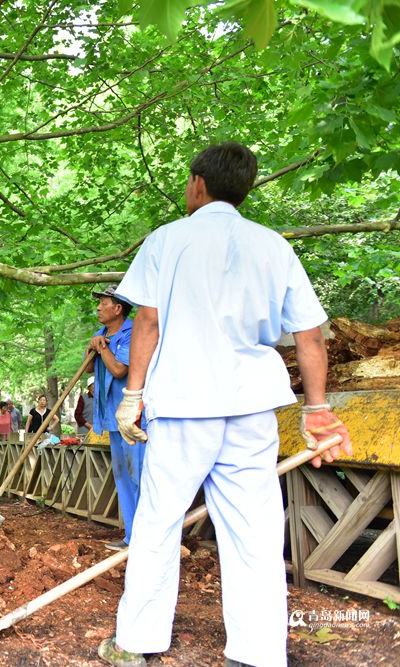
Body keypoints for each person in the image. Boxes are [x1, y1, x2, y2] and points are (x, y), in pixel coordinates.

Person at [98, 142, 352, 667]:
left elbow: (147, 321)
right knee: (253, 529)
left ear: (197, 184)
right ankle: (259, 653)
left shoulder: (168, 240)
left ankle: (136, 643)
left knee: (159, 521)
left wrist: (133, 396)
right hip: (251, 404)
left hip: (185, 400)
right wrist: (317, 409)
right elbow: (311, 335)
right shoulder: (273, 246)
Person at [88, 284, 144, 552]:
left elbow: (120, 369)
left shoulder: (134, 332)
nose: (98, 307)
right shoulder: (100, 333)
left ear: (118, 308)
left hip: (133, 417)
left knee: (140, 476)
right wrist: (92, 347)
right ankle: (132, 536)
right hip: (110, 415)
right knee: (122, 476)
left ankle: (148, 538)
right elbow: (88, 367)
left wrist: (102, 350)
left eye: (103, 302)